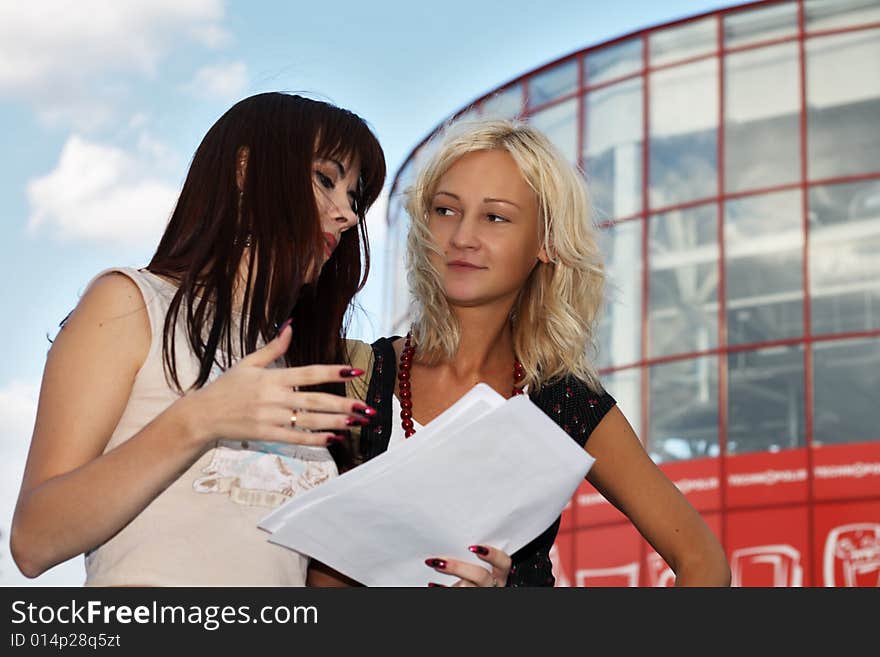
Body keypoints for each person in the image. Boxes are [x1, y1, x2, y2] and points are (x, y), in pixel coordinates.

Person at [311, 118, 730, 587]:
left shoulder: (567, 402)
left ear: (546, 243)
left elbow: (704, 561)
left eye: (495, 217)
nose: (462, 237)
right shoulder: (350, 372)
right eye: (446, 210)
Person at [10, 92, 386, 586]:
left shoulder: (289, 364)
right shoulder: (130, 302)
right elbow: (33, 542)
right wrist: (198, 420)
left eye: (354, 196)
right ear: (246, 173)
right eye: (325, 180)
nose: (348, 215)